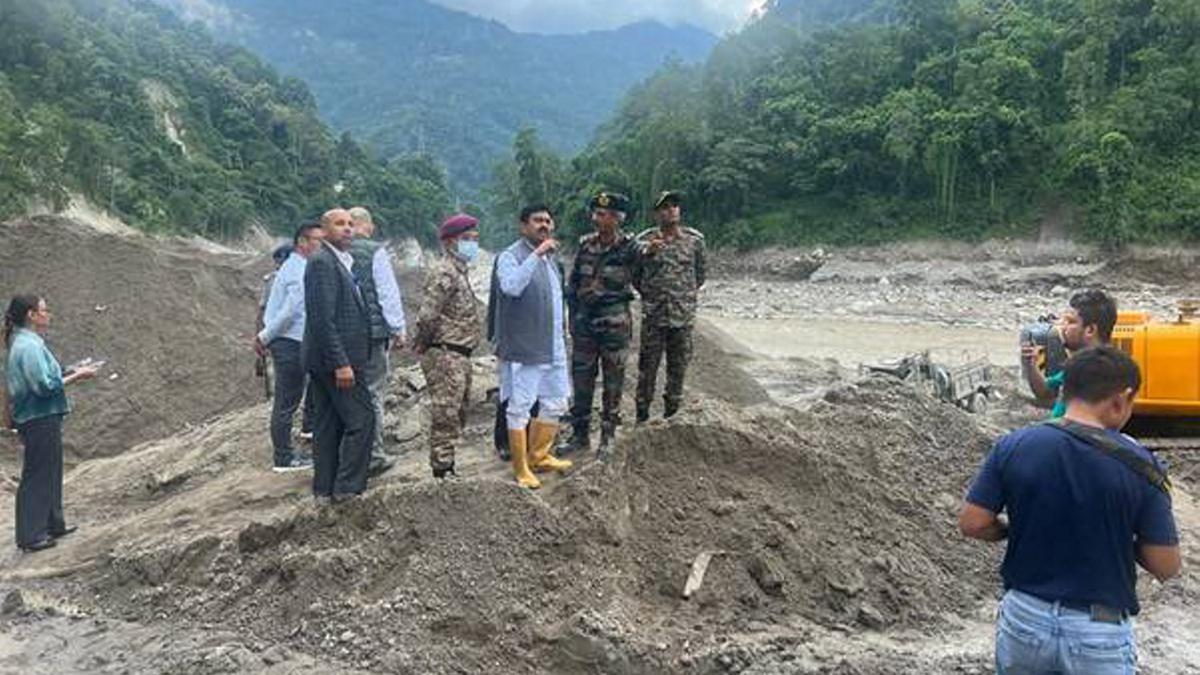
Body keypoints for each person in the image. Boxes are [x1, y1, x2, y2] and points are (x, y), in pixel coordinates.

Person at [959, 346, 1180, 674]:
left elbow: (973, 524)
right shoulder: (1142, 467)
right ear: (1121, 399)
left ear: (1067, 389)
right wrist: (1112, 533)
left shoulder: (1014, 445)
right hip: (1098, 631)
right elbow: (1166, 565)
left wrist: (1016, 527)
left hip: (1024, 619)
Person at [4, 295, 98, 552]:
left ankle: (53, 524)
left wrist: (69, 370)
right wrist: (77, 376)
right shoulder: (29, 346)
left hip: (41, 416)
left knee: (51, 469)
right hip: (38, 417)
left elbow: (46, 375)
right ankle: (31, 536)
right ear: (32, 315)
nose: (49, 314)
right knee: (38, 474)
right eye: (44, 310)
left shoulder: (26, 342)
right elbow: (43, 386)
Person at [490, 204, 573, 489]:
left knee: (556, 401)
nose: (545, 225)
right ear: (522, 225)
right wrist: (536, 255)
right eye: (538, 220)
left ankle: (539, 455)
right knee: (520, 406)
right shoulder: (510, 257)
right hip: (525, 345)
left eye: (548, 221)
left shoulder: (552, 261)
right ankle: (521, 466)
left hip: (554, 344)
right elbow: (511, 287)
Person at [303, 209, 375, 502]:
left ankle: (325, 488)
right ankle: (348, 488)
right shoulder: (323, 263)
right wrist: (341, 363)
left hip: (328, 360)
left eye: (350, 224)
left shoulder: (340, 262)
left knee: (328, 424)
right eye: (339, 224)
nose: (347, 229)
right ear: (324, 229)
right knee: (362, 420)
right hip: (336, 361)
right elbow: (323, 320)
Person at [563, 191, 641, 461]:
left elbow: (643, 281)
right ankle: (579, 434)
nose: (598, 218)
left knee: (613, 383)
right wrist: (572, 319)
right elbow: (573, 286)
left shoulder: (631, 249)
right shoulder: (585, 245)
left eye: (605, 214)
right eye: (596, 213)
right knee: (582, 380)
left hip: (614, 325)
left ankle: (608, 437)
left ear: (618, 219)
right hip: (585, 325)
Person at [413, 214, 481, 479]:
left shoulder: (460, 271)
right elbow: (428, 314)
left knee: (457, 412)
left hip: (460, 352)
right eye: (466, 239)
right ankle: (442, 470)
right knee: (446, 413)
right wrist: (422, 343)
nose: (472, 244)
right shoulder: (445, 271)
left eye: (475, 240)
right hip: (445, 352)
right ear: (449, 242)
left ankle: (447, 465)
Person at [255, 223, 324, 472]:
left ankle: (300, 442)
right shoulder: (297, 270)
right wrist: (265, 336)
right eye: (317, 240)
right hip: (289, 342)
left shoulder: (298, 267)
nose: (322, 244)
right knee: (287, 401)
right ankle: (284, 458)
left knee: (293, 397)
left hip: (292, 340)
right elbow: (290, 311)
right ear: (302, 242)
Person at [633, 190, 706, 422]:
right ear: (656, 213)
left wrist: (682, 297)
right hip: (655, 317)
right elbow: (635, 276)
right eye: (665, 207)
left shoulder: (694, 241)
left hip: (682, 318)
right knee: (647, 371)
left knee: (678, 370)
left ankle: (672, 415)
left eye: (674, 205)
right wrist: (652, 296)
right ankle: (642, 417)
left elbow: (700, 276)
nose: (671, 209)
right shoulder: (644, 242)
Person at [348, 207, 408, 476]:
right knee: (372, 393)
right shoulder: (375, 252)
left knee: (348, 394)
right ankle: (373, 455)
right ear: (368, 226)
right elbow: (386, 293)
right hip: (372, 336)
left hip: (344, 339)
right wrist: (397, 329)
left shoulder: (335, 251)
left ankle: (348, 454)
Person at [1022, 289, 1117, 418]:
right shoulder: (1080, 363)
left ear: (1090, 330)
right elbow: (1044, 393)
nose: (1062, 326)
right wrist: (1031, 365)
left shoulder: (1100, 372)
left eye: (1071, 322)